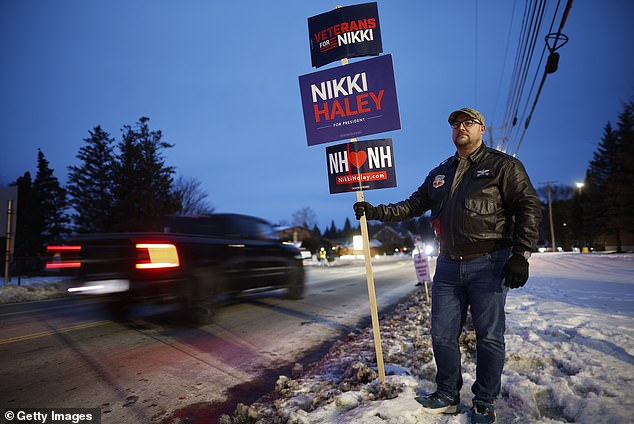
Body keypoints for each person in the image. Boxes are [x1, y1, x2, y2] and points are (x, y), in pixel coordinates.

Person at [353, 107, 542, 423]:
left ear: (482, 129)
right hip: (449, 267)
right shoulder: (440, 173)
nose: (460, 128)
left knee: (489, 337)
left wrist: (521, 254)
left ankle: (484, 401)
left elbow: (528, 206)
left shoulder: (503, 167)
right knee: (441, 334)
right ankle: (447, 395)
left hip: (490, 263)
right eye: (455, 124)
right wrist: (376, 212)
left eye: (468, 123)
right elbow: (414, 205)